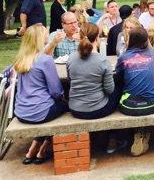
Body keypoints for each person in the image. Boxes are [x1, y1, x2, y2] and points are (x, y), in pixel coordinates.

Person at [13, 24, 68, 165]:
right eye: (45, 34)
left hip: (21, 111)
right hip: (40, 112)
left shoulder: (21, 58)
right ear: (39, 38)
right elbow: (56, 92)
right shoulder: (45, 60)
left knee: (49, 107)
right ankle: (44, 146)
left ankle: (34, 147)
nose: (47, 36)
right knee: (69, 106)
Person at [115, 28, 154, 156]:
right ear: (146, 41)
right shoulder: (150, 54)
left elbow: (118, 76)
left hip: (130, 107)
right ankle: (143, 132)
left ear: (130, 40)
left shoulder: (124, 57)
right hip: (152, 105)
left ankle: (137, 133)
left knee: (120, 91)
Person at [67, 23, 119, 119]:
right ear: (97, 38)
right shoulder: (102, 60)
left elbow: (70, 82)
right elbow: (110, 90)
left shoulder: (71, 58)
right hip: (97, 109)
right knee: (118, 88)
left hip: (75, 108)